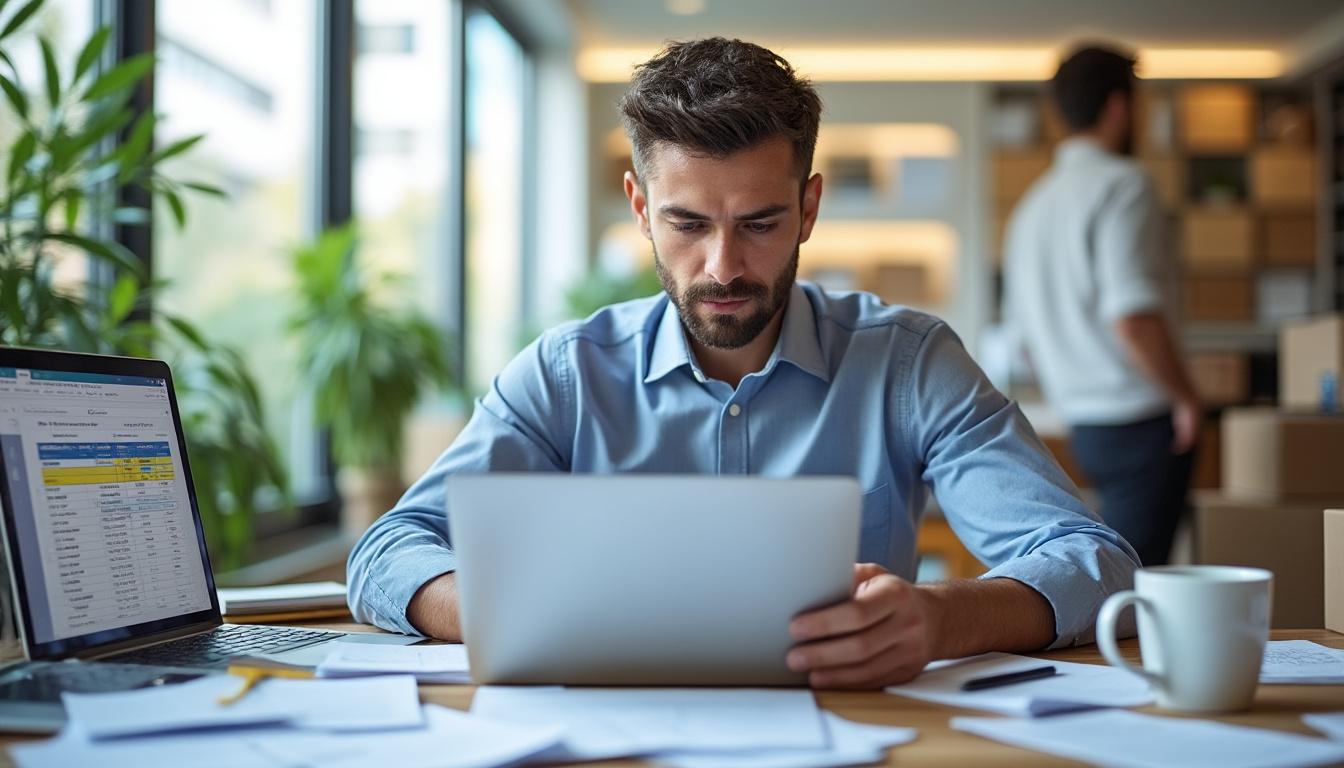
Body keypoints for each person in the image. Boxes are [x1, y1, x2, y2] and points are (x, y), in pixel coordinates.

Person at [348, 37, 1140, 689]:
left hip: (860, 729)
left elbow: (1096, 562)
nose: (722, 267)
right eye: (686, 224)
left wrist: (938, 617)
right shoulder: (566, 374)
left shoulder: (908, 362)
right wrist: (509, 607)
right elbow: (387, 552)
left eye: (759, 223)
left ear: (809, 208)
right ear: (638, 208)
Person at [1004, 44, 1199, 567]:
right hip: (1139, 419)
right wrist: (1186, 397)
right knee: (1138, 582)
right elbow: (1132, 316)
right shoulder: (1124, 185)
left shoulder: (1033, 205)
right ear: (1120, 106)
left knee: (1116, 572)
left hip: (1082, 426)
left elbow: (1022, 346)